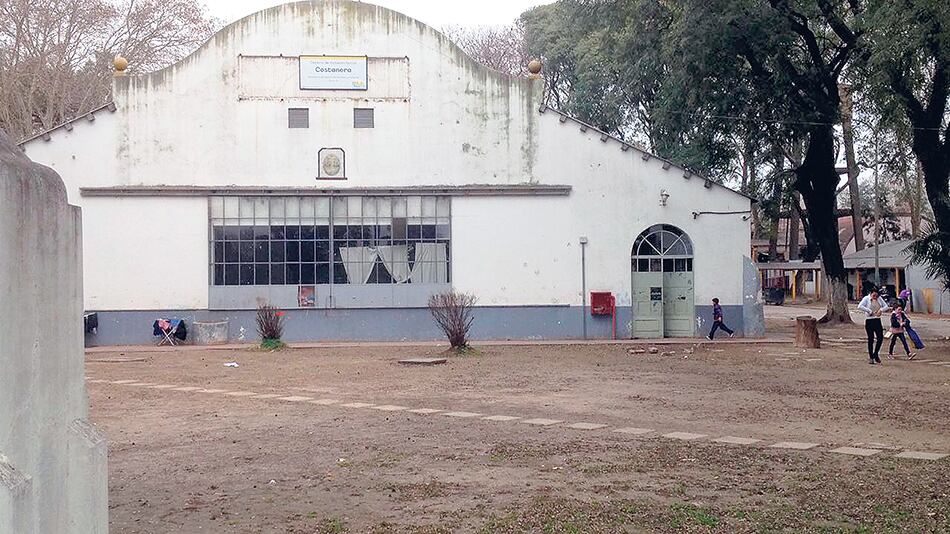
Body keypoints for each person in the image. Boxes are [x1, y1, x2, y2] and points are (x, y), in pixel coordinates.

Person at [857, 289, 890, 364]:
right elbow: (860, 306)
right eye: (874, 295)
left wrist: (881, 310)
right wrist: (869, 311)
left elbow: (886, 306)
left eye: (876, 296)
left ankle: (876, 353)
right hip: (869, 320)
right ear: (870, 294)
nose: (875, 297)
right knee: (870, 339)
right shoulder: (866, 299)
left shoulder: (879, 299)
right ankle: (871, 356)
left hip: (877, 320)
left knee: (880, 338)